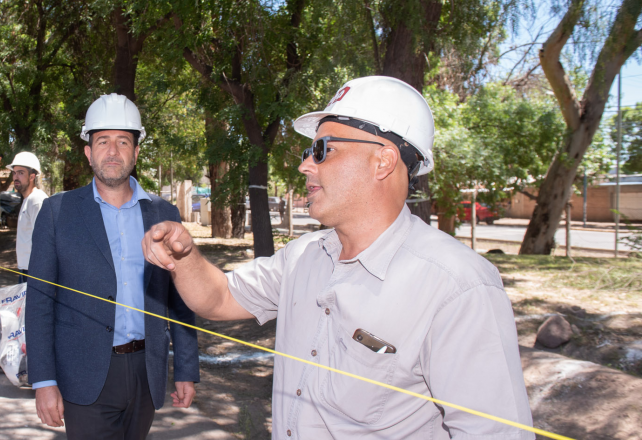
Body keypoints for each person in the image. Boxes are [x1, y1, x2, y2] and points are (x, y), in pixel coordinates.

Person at [141, 76, 534, 439]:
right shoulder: (303, 257)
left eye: (322, 150)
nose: (304, 165)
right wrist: (186, 256)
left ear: (383, 161)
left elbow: (494, 433)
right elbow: (219, 297)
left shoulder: (457, 286)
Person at [26, 93, 199, 440]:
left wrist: (185, 369)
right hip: (84, 374)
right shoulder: (58, 213)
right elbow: (40, 302)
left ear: (136, 152)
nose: (113, 151)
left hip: (146, 372)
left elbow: (181, 299)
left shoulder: (164, 215)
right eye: (102, 141)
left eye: (123, 141)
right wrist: (44, 381)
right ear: (89, 152)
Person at [7, 151, 46, 283]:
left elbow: (43, 240)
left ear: (32, 176)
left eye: (21, 173)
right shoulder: (28, 199)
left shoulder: (36, 200)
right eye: (14, 172)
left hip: (34, 272)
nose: (16, 177)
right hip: (26, 269)